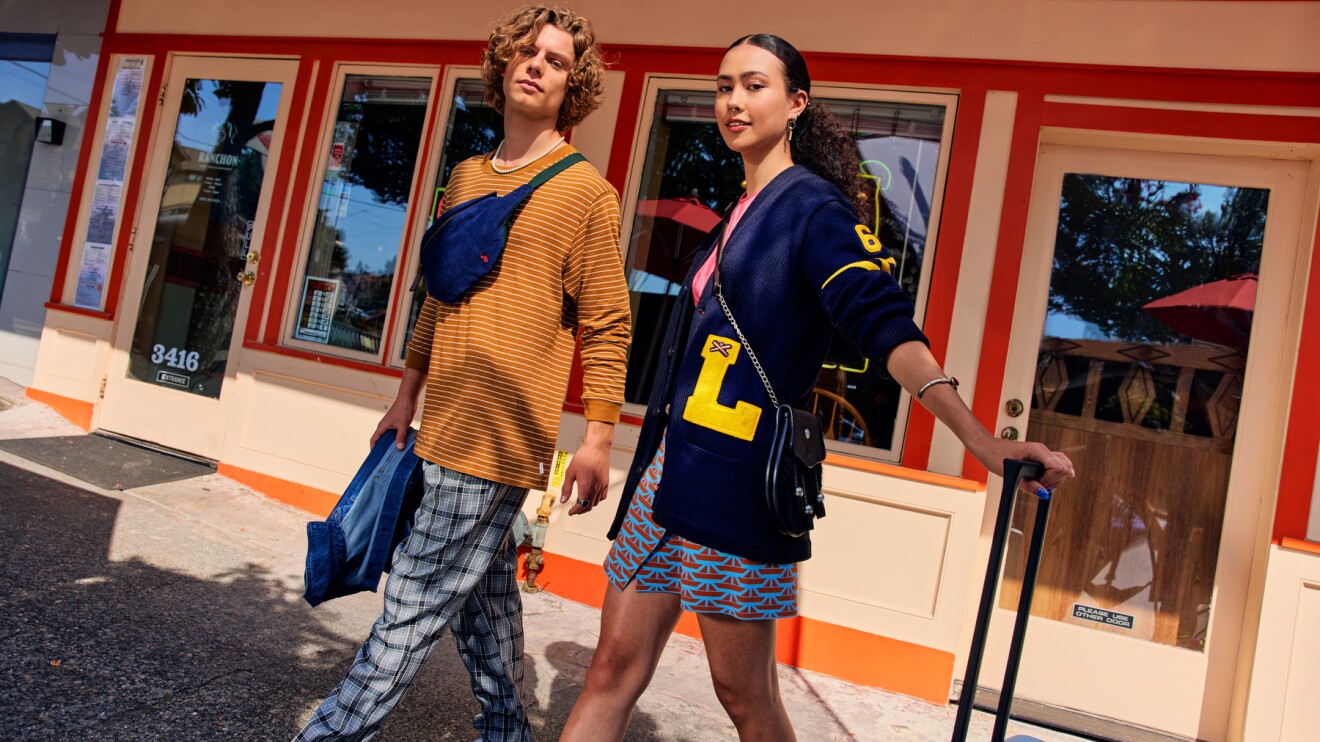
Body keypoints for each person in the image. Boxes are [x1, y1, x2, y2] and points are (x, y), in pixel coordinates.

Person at [558, 34, 1075, 742]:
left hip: (738, 487)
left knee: (744, 696)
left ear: (796, 103)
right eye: (723, 86)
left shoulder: (814, 208)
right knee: (611, 671)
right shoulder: (730, 218)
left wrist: (981, 439)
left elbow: (884, 325)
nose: (734, 101)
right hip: (668, 475)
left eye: (754, 85)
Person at [294, 7, 630, 742]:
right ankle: (509, 730)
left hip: (500, 435)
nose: (539, 66)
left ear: (574, 87)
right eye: (529, 52)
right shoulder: (468, 175)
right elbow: (436, 299)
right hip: (439, 419)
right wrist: (403, 397)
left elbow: (607, 323)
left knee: (411, 599)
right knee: (482, 600)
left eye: (558, 61)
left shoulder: (585, 194)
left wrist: (598, 438)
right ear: (505, 63)